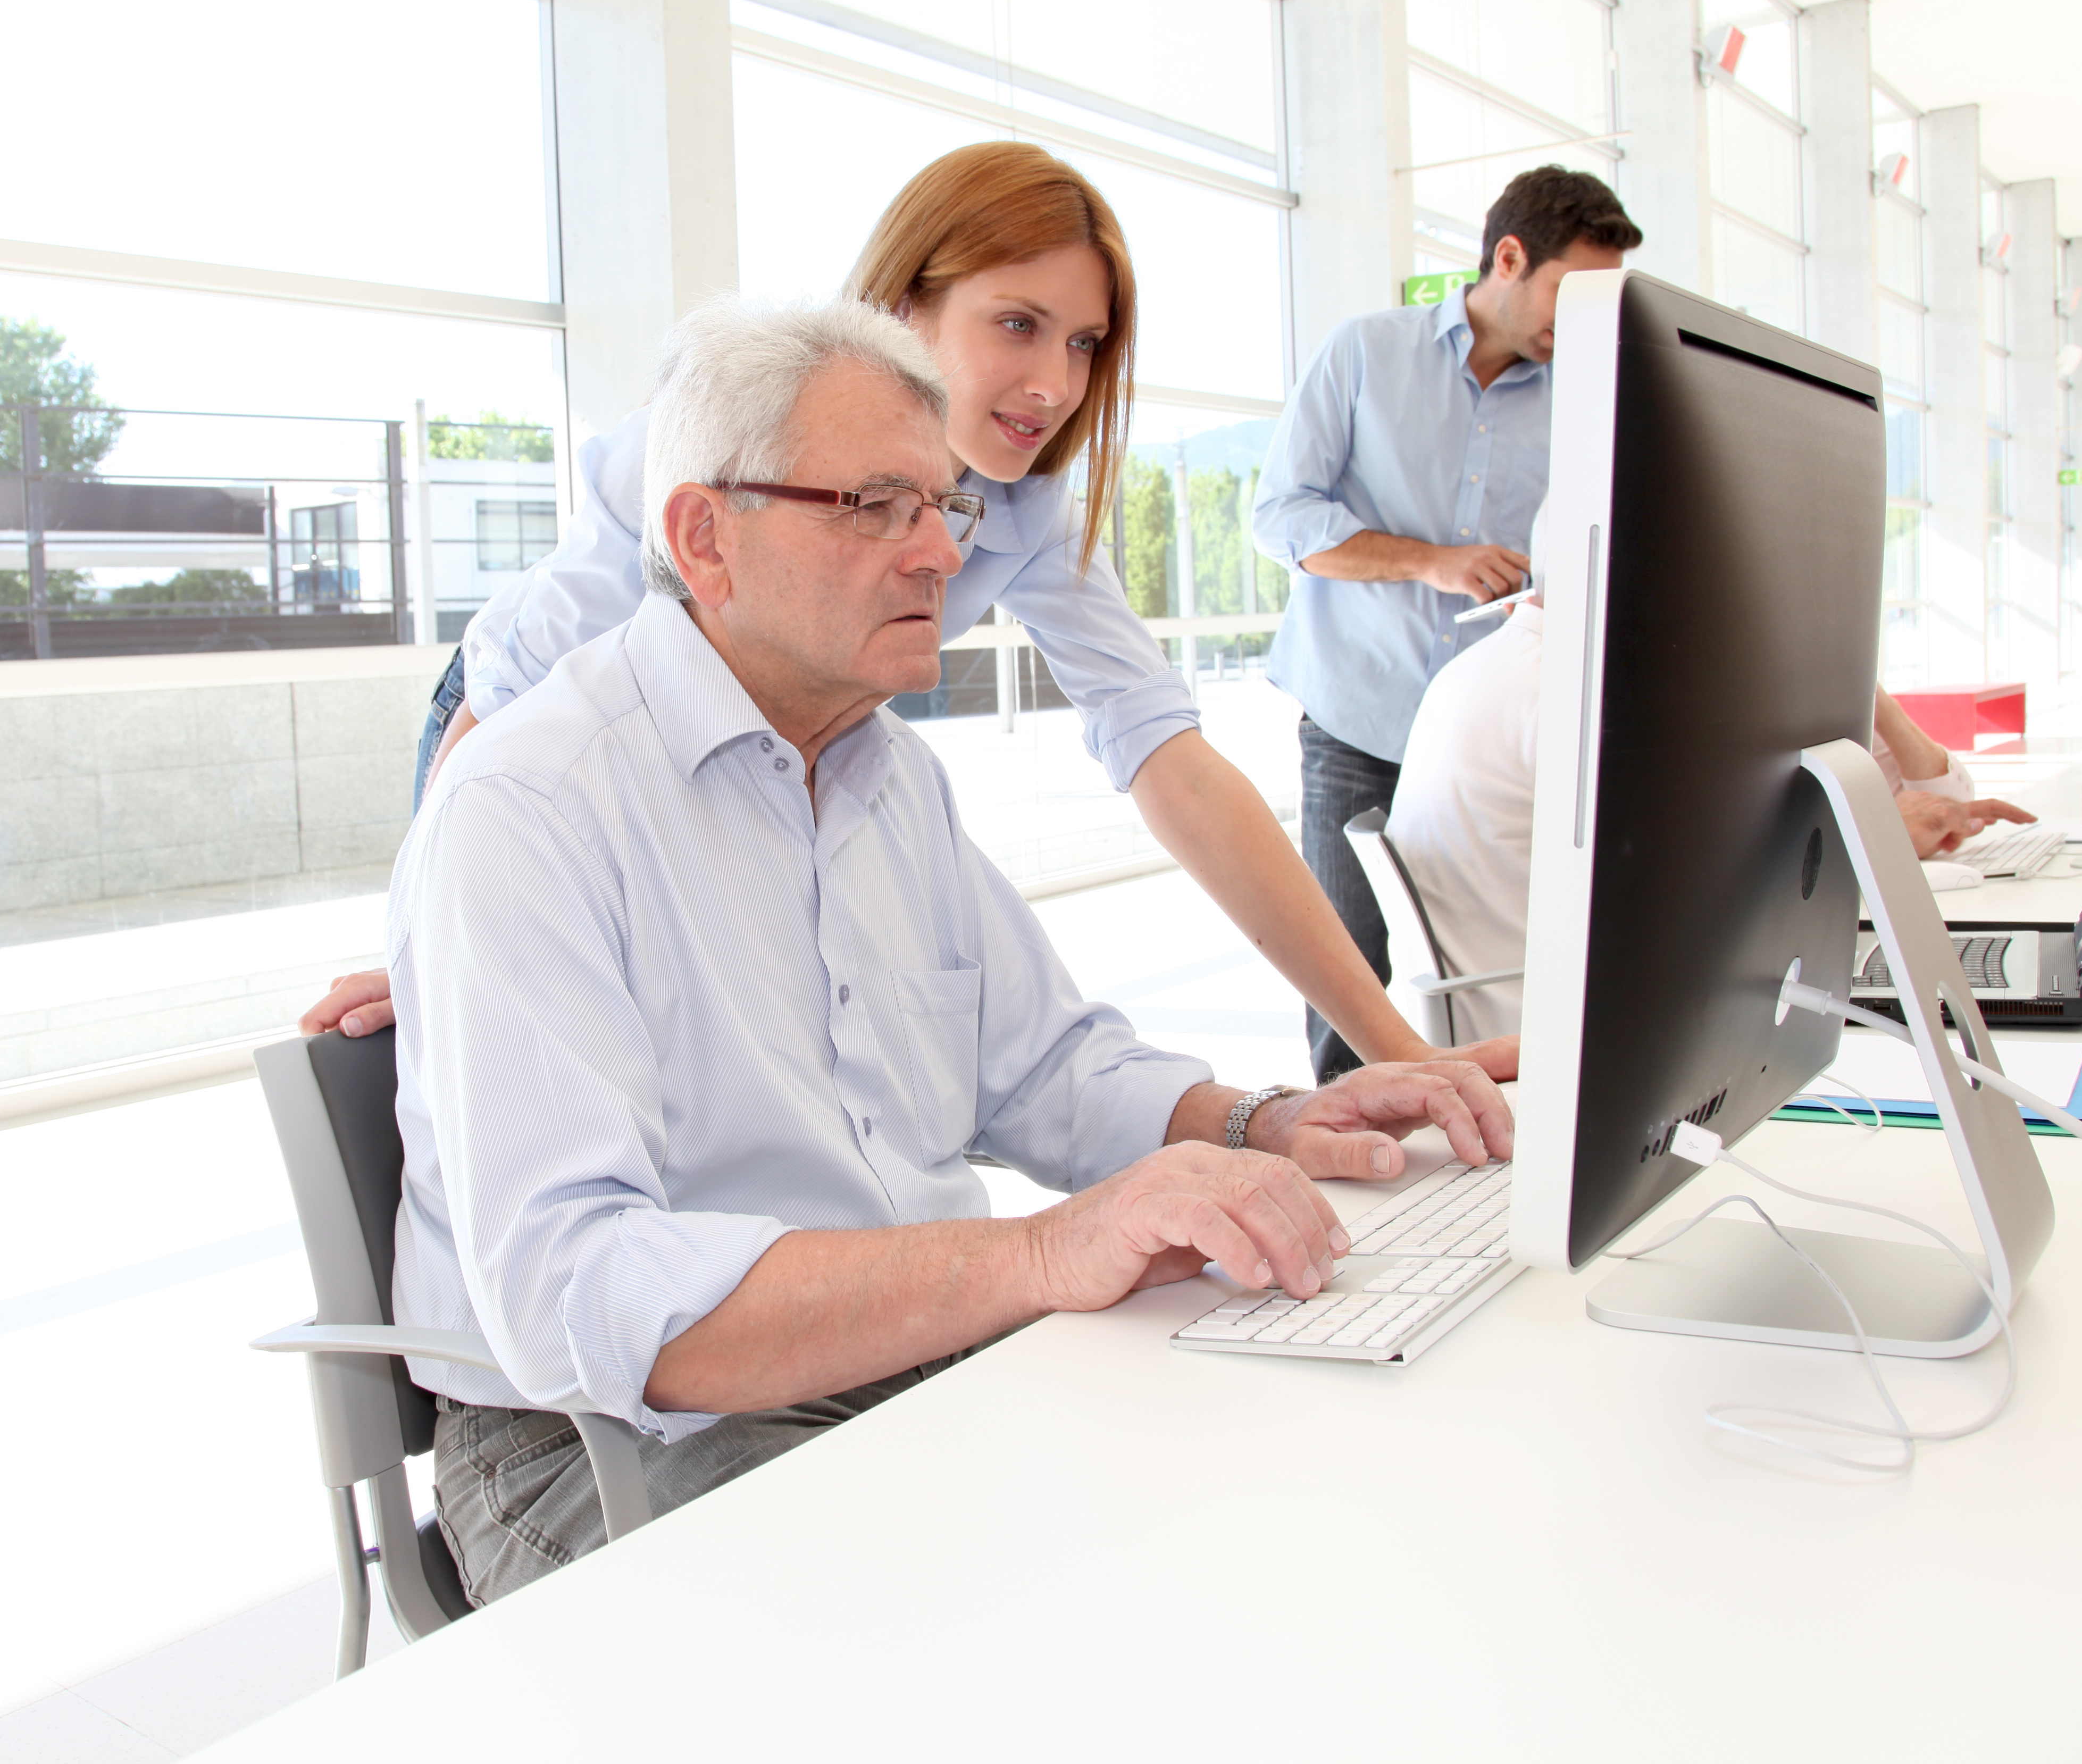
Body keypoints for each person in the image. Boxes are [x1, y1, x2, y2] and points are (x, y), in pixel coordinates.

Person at [389, 299, 1516, 1606]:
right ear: (705, 535)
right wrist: (1036, 1256)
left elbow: (1042, 1066)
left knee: (1255, 1530)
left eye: (942, 505)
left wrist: (1265, 1118)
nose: (937, 552)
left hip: (895, 1358)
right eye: (874, 502)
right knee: (956, 1641)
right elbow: (575, 1292)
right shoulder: (532, 805)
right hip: (604, 1435)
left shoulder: (887, 778)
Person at [307, 143, 1509, 1081]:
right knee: (513, 1038)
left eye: (1085, 342)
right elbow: (512, 699)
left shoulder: (1025, 504)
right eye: (1016, 323)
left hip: (776, 765)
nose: (1055, 383)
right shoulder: (731, 424)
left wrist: (1402, 1048)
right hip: (512, 739)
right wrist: (437, 936)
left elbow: (1174, 765)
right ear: (908, 301)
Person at [1251, 166, 1641, 1082]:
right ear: (1509, 257)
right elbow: (1282, 517)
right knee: (1348, 970)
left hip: (1486, 748)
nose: (1584, 324)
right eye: (1570, 294)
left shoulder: (1582, 401)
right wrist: (1432, 559)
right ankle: (1354, 1175)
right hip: (1360, 719)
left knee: (1482, 970)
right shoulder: (1363, 354)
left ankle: (1469, 1171)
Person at [1384, 539, 2035, 1033]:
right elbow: (1721, 891)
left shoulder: (1499, 666)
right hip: (1570, 1032)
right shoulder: (1581, 700)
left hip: (1543, 1006)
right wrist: (1870, 835)